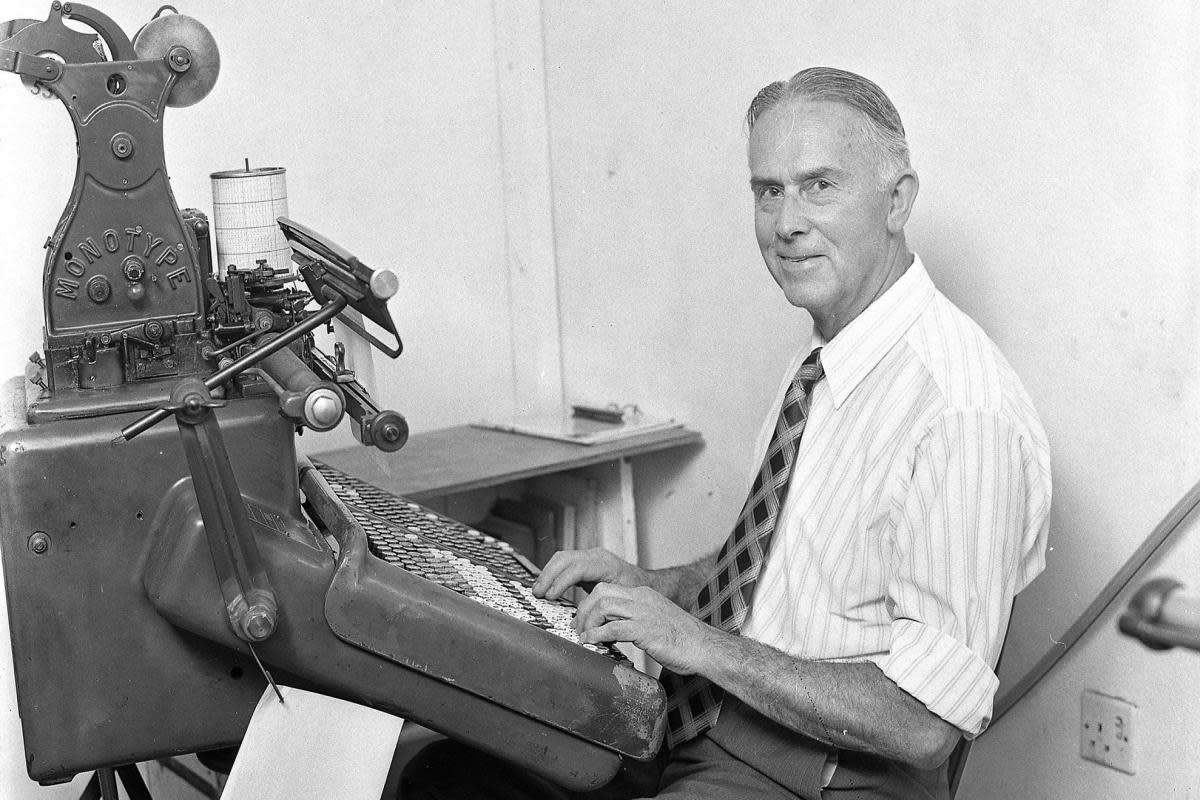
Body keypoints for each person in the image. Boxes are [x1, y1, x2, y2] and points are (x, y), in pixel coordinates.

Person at [402, 66, 1051, 800]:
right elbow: (782, 581)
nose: (786, 222)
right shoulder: (821, 368)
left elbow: (924, 722)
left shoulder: (960, 414)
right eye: (767, 191)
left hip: (824, 778)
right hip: (713, 728)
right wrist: (652, 586)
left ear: (897, 201)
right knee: (445, 774)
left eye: (819, 186)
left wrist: (697, 644)